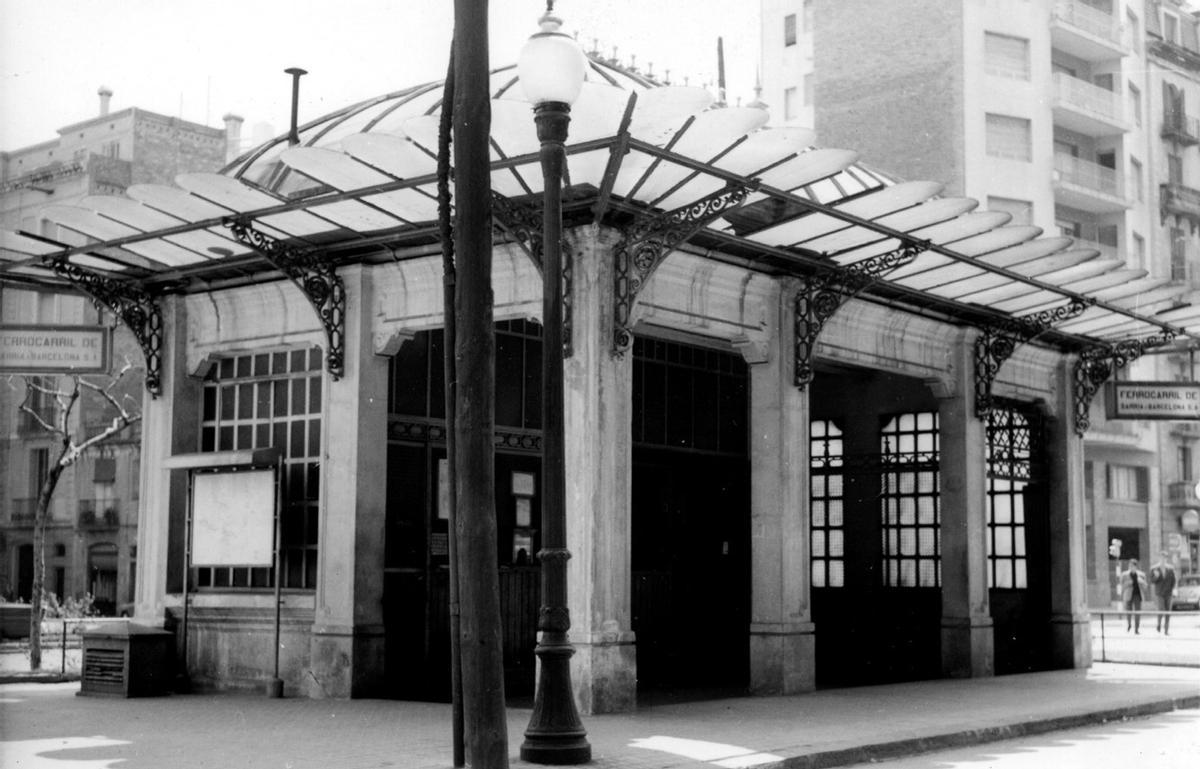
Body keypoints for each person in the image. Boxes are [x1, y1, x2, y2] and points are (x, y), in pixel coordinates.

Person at [1149, 551, 1178, 635]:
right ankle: (1158, 624)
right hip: (1159, 593)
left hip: (1168, 593)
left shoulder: (1170, 568)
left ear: (1166, 559)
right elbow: (1151, 581)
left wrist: (1173, 590)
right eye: (1161, 557)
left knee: (1168, 611)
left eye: (1164, 558)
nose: (1163, 559)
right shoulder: (1154, 568)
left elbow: (1174, 580)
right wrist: (1156, 577)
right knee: (1161, 609)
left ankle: (1166, 630)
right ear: (1159, 558)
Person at [1117, 558, 1148, 633]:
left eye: (1132, 566)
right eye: (1130, 566)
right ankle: (1129, 624)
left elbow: (1146, 586)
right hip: (1128, 595)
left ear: (1135, 567)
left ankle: (1137, 628)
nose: (1131, 567)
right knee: (1129, 612)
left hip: (1137, 595)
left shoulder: (1141, 575)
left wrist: (1141, 582)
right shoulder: (1124, 575)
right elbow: (1122, 585)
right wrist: (1128, 583)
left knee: (1137, 613)